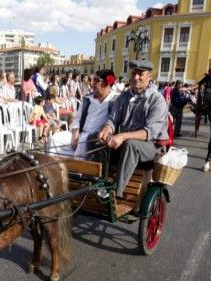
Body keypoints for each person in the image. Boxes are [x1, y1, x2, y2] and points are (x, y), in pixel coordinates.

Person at [98, 60, 168, 199]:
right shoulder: (124, 96)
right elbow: (113, 119)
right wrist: (107, 129)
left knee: (131, 145)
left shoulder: (157, 100)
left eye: (140, 74)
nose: (136, 77)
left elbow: (149, 132)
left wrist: (122, 136)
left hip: (152, 146)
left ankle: (115, 192)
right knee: (96, 139)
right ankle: (99, 183)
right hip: (127, 142)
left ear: (149, 76)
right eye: (134, 73)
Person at [47, 69, 117, 159]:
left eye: (96, 80)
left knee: (82, 146)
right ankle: (52, 170)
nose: (92, 83)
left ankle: (76, 172)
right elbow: (77, 119)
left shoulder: (115, 100)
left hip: (94, 139)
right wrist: (75, 134)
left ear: (107, 83)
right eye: (93, 79)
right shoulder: (87, 99)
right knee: (54, 139)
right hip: (79, 134)